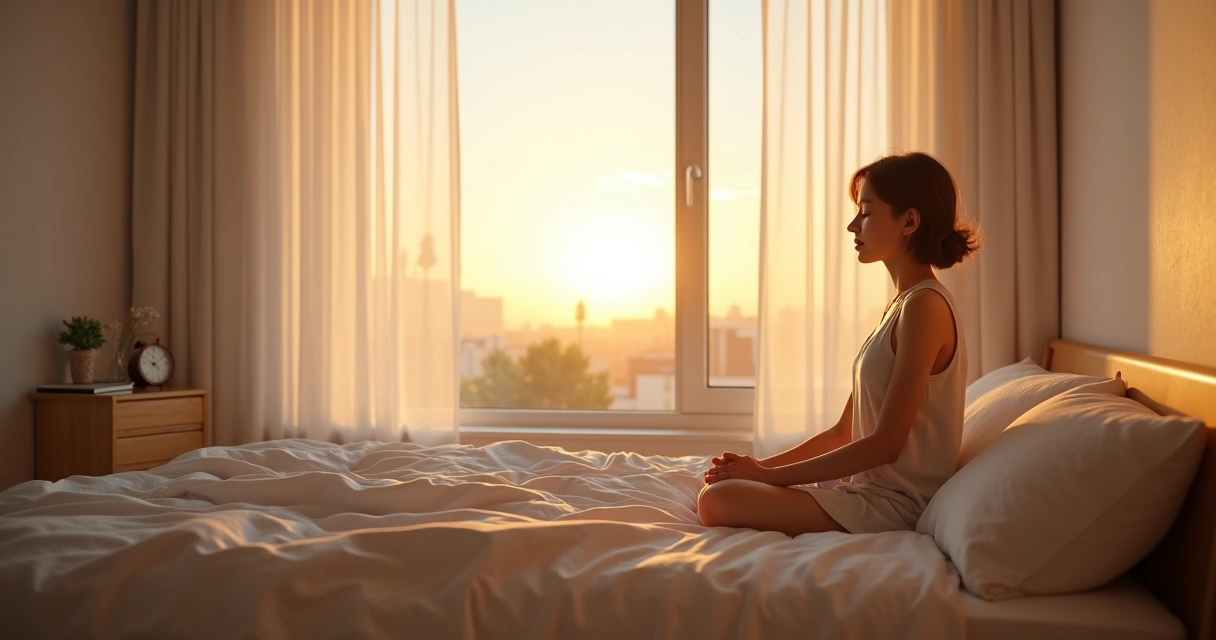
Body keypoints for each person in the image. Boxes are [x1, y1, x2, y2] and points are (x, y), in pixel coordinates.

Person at [697, 151, 980, 537]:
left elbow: (885, 446)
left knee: (717, 501)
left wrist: (769, 476)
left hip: (893, 507)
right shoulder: (901, 306)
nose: (852, 225)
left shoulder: (925, 307)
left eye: (866, 212)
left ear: (909, 221)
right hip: (867, 495)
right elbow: (843, 431)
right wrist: (761, 469)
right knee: (723, 489)